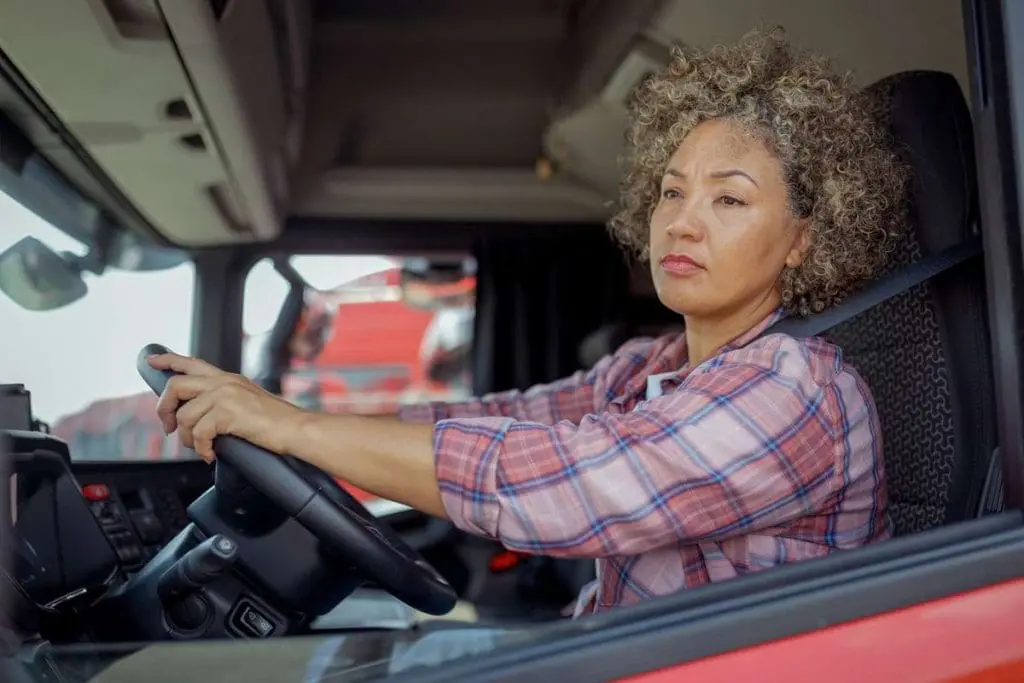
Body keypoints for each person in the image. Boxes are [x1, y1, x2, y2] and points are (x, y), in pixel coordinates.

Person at [146, 28, 907, 623]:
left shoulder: (796, 389)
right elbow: (503, 419)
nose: (681, 223)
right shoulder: (654, 365)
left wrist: (293, 430)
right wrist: (294, 422)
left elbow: (569, 484)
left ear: (808, 235)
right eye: (672, 193)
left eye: (729, 200)